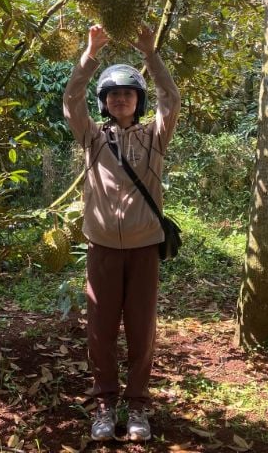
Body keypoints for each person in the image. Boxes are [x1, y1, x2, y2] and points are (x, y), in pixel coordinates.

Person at [63, 23, 181, 441]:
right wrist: (90, 53)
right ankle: (104, 404)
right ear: (105, 102)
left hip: (144, 247)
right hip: (102, 248)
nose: (120, 98)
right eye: (113, 94)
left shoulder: (154, 138)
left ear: (138, 99)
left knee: (141, 329)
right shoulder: (93, 139)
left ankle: (137, 407)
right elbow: (70, 99)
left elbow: (172, 98)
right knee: (100, 329)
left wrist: (150, 53)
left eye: (128, 93)